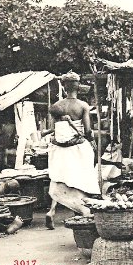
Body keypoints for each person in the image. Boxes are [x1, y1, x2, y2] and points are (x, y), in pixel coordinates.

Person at [46, 71, 100, 229]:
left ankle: (52, 210)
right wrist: (92, 142)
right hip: (77, 147)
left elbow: (53, 129)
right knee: (80, 178)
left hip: (59, 147)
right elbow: (88, 130)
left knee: (60, 178)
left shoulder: (56, 106)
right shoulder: (82, 106)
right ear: (78, 86)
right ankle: (81, 209)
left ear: (63, 86)